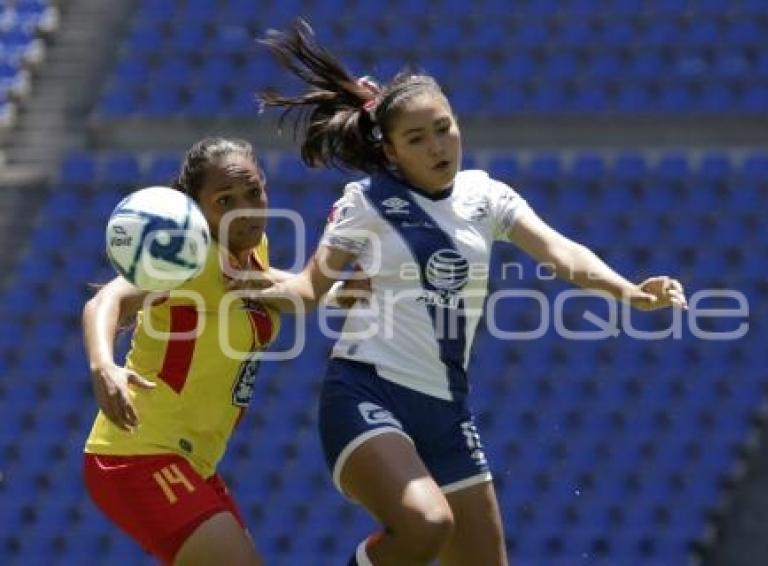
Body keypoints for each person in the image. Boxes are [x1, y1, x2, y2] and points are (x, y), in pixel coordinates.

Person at [251, 21, 688, 566]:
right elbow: (306, 293)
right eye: (417, 138)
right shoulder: (364, 202)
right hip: (366, 394)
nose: (438, 146)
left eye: (444, 127)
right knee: (426, 524)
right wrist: (230, 274)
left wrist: (630, 292)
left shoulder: (488, 195)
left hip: (446, 410)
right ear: (389, 151)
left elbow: (562, 253)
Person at [81, 137, 361, 565]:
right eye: (225, 200)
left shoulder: (249, 251)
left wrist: (340, 293)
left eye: (253, 192)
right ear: (197, 209)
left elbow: (273, 289)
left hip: (193, 462)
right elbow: (105, 301)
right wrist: (104, 367)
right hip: (137, 454)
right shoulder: (185, 256)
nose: (245, 209)